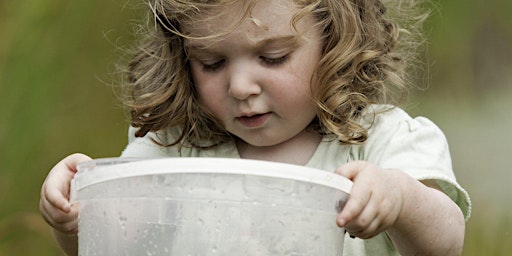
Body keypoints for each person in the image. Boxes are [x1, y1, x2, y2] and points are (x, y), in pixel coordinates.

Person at [39, 0, 471, 255]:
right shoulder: (175, 147)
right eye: (212, 62)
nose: (240, 86)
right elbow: (116, 241)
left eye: (273, 57)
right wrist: (75, 213)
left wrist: (398, 196)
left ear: (336, 40)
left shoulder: (381, 140)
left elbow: (445, 241)